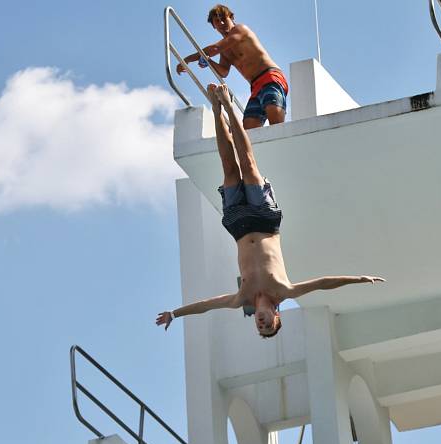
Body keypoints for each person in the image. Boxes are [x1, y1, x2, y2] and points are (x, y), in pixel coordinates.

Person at [156, 85, 384, 338]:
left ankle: (216, 108)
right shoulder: (285, 289)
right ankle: (229, 105)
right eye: (268, 324)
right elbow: (323, 283)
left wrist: (175, 314)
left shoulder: (242, 298)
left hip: (238, 224)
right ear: (277, 316)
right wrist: (358, 279)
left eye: (259, 326)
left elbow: (207, 305)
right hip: (264, 219)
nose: (261, 322)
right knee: (248, 164)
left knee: (229, 168)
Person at [176, 4, 288, 129]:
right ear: (214, 26)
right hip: (255, 86)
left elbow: (215, 48)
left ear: (232, 18)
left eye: (224, 18)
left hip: (270, 77)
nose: (222, 22)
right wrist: (209, 62)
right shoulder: (225, 51)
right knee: (248, 129)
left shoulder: (240, 29)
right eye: (217, 21)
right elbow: (224, 72)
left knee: (276, 123)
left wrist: (187, 59)